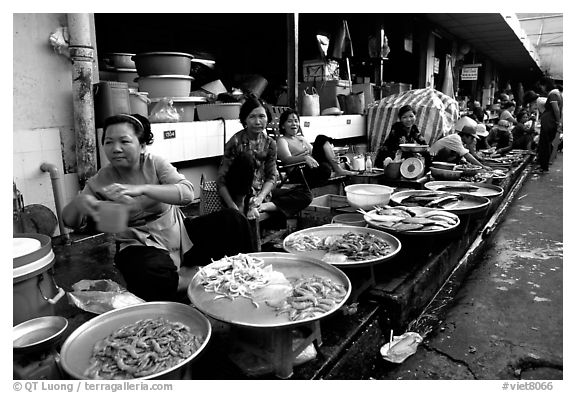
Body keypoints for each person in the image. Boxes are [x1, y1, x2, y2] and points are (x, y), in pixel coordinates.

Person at [62, 114, 255, 302]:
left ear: (142, 145)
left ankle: (245, 275)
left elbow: (187, 193)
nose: (116, 148)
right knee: (145, 270)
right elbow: (70, 222)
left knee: (233, 221)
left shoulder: (155, 164)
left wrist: (143, 189)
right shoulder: (100, 180)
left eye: (124, 141)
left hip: (180, 236)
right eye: (109, 142)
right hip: (138, 244)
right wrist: (79, 204)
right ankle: (196, 278)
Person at [217, 97, 313, 223]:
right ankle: (246, 205)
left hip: (261, 193)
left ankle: (263, 207)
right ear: (245, 119)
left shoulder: (270, 143)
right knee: (246, 158)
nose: (257, 121)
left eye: (262, 116)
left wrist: (260, 198)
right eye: (252, 117)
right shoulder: (235, 142)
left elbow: (271, 177)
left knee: (305, 194)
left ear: (267, 118)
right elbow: (221, 180)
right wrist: (233, 207)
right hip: (238, 194)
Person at [276, 108, 356, 187]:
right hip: (299, 171)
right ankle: (335, 170)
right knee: (325, 169)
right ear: (283, 126)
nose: (294, 124)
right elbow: (286, 160)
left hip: (312, 167)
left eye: (296, 121)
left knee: (321, 139)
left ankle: (337, 169)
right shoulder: (282, 140)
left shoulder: (301, 138)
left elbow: (314, 152)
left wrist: (331, 153)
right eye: (290, 121)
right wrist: (304, 158)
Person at [536, 77, 563, 172]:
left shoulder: (553, 94)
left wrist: (558, 121)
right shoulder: (557, 93)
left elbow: (556, 109)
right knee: (546, 144)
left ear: (545, 85)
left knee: (544, 144)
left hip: (549, 122)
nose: (542, 89)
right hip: (550, 121)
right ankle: (543, 166)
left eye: (542, 86)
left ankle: (543, 167)